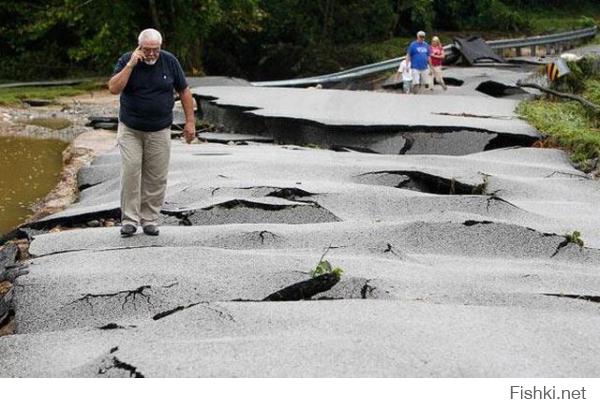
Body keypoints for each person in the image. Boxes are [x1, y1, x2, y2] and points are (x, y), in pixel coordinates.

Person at [108, 28, 196, 237]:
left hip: (160, 129)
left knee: (156, 176)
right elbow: (113, 88)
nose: (151, 54)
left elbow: (184, 91)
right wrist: (130, 65)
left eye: (155, 49)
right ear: (139, 47)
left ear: (160, 47)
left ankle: (149, 220)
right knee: (131, 172)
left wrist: (190, 122)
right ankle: (129, 220)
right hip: (131, 129)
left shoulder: (169, 61)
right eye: (146, 50)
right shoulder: (126, 60)